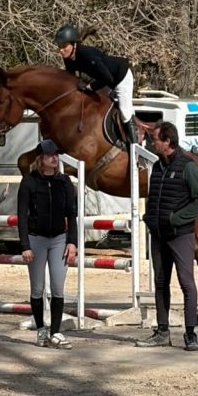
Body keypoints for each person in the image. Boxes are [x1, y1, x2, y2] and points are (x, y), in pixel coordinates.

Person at [136, 121, 198, 352]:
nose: (151, 143)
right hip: (158, 234)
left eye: (155, 139)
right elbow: (154, 197)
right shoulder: (157, 167)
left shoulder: (188, 167)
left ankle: (190, 334)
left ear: (167, 141)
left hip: (180, 235)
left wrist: (176, 218)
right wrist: (150, 217)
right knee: (160, 282)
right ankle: (162, 331)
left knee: (186, 283)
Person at [17, 138, 78, 348]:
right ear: (40, 159)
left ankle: (56, 332)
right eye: (50, 155)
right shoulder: (29, 182)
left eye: (56, 154)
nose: (55, 158)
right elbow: (22, 216)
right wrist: (25, 245)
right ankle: (41, 330)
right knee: (37, 288)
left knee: (58, 287)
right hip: (36, 238)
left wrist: (72, 242)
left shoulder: (65, 182)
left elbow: (72, 214)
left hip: (59, 238)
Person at [54, 24, 137, 148]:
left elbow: (107, 78)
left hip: (120, 77)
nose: (61, 50)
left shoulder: (87, 55)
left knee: (125, 113)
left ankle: (134, 149)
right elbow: (71, 79)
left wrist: (90, 87)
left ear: (74, 44)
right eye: (60, 47)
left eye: (64, 46)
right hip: (105, 81)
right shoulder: (68, 59)